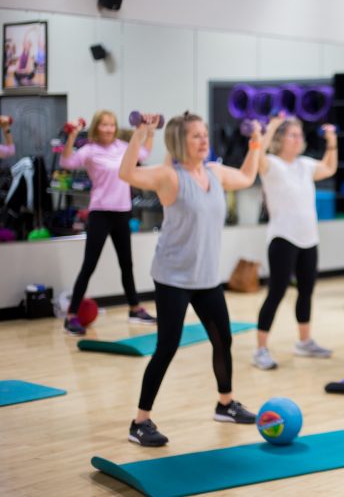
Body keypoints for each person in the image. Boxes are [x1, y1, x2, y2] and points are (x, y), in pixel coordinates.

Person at [118, 112, 262, 446]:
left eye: (204, 134)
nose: (203, 140)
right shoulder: (170, 176)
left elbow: (248, 176)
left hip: (206, 278)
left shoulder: (214, 172)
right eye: (195, 136)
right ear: (180, 142)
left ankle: (225, 403)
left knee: (223, 340)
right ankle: (140, 422)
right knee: (167, 347)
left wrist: (256, 141)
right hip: (173, 277)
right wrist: (141, 133)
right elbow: (126, 173)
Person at [252, 115, 338, 370]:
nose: (298, 138)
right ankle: (260, 349)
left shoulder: (305, 165)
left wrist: (331, 142)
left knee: (306, 291)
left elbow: (330, 168)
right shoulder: (272, 165)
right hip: (282, 238)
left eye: (300, 134)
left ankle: (304, 341)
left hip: (308, 238)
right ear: (280, 140)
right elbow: (257, 157)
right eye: (292, 134)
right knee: (276, 293)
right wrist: (272, 128)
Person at [59, 110, 155, 336]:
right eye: (104, 125)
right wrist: (72, 135)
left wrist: (150, 131)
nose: (109, 129)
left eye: (112, 125)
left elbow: (145, 153)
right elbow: (66, 161)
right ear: (96, 127)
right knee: (89, 265)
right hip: (100, 212)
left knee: (126, 264)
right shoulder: (89, 150)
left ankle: (134, 308)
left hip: (122, 211)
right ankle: (71, 316)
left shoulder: (122, 146)